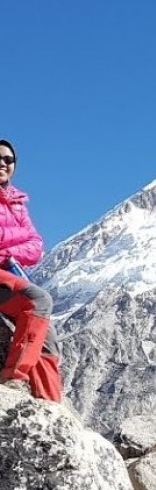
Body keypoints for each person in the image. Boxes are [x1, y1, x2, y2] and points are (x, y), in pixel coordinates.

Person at [0, 139, 62, 402]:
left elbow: (36, 247)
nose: (3, 163)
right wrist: (14, 243)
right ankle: (13, 378)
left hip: (7, 272)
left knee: (48, 337)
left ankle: (50, 404)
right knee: (39, 300)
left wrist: (8, 252)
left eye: (9, 160)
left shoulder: (17, 203)